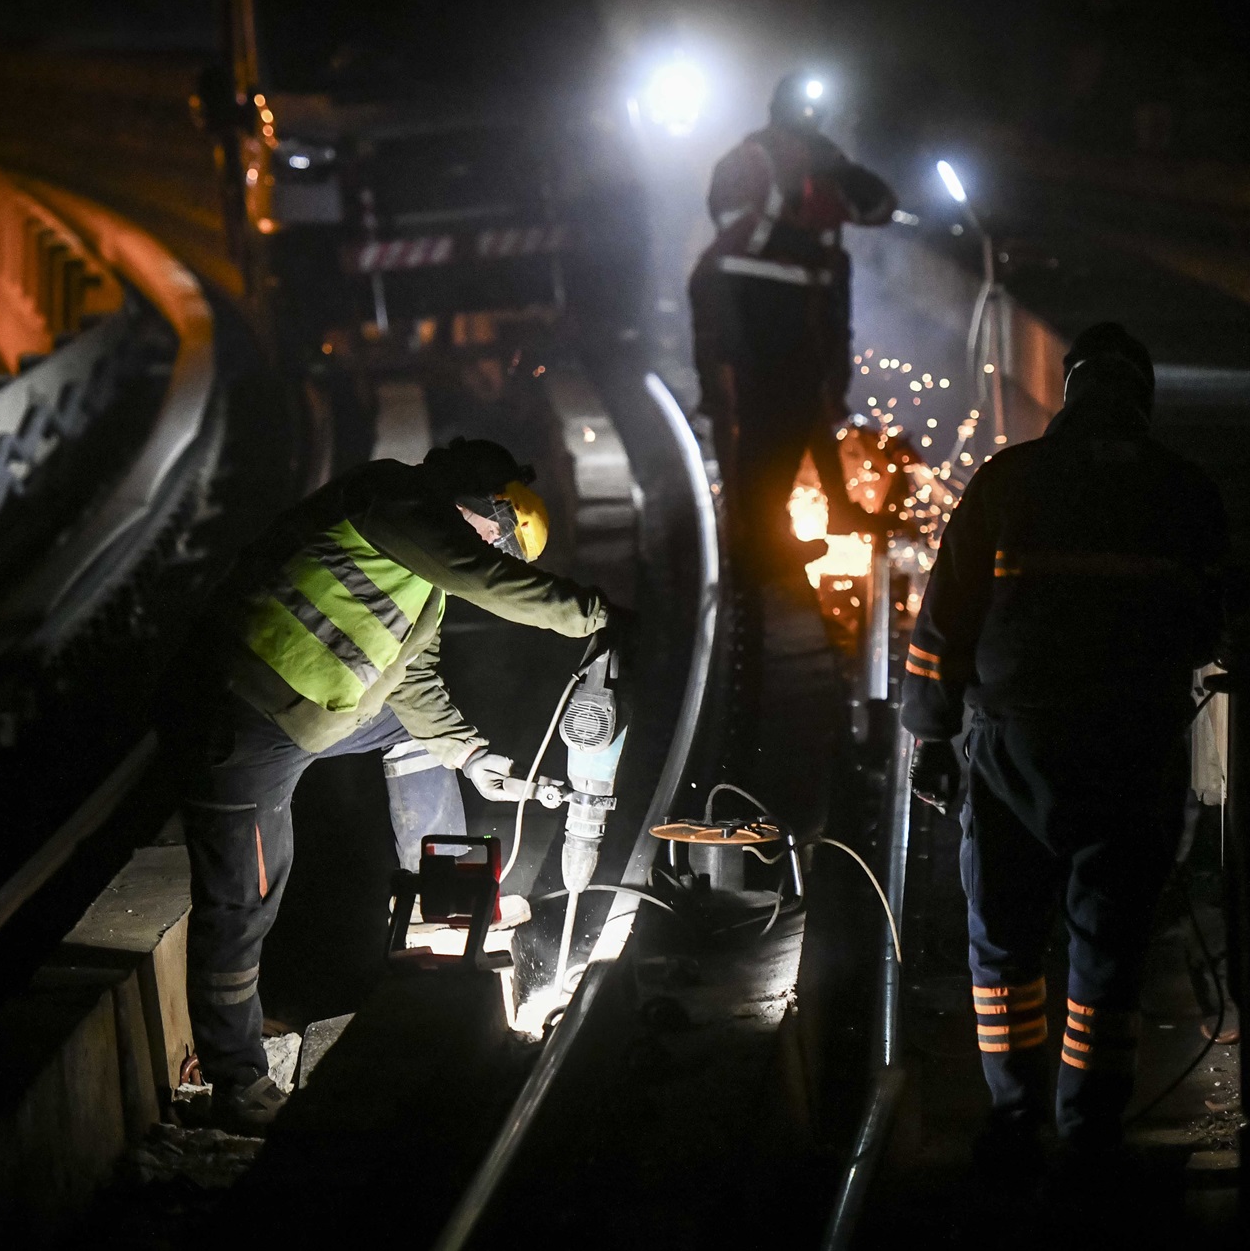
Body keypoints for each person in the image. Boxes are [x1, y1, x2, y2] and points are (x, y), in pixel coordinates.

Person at [172, 437, 628, 1132]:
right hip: (241, 716)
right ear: (474, 501)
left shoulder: (425, 581)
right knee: (244, 898)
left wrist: (472, 756)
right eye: (490, 533)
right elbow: (483, 576)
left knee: (416, 738)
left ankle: (448, 907)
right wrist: (596, 615)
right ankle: (237, 1079)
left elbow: (412, 682)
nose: (485, 548)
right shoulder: (393, 498)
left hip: (310, 715)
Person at [901, 323, 1229, 1179]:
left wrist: (930, 732)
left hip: (1016, 750)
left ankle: (1015, 1122)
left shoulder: (1007, 481)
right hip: (1131, 750)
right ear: (1142, 399)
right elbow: (1216, 624)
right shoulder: (1184, 491)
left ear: (1070, 391)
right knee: (1107, 957)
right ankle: (1090, 1133)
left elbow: (942, 626)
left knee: (1004, 948)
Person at [690, 70, 898, 582]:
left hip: (803, 306)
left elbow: (880, 207)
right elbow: (735, 223)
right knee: (766, 423)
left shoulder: (824, 160)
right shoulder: (749, 158)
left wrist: (840, 173)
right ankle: (757, 541)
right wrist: (795, 212)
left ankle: (802, 521)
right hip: (748, 306)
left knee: (810, 406)